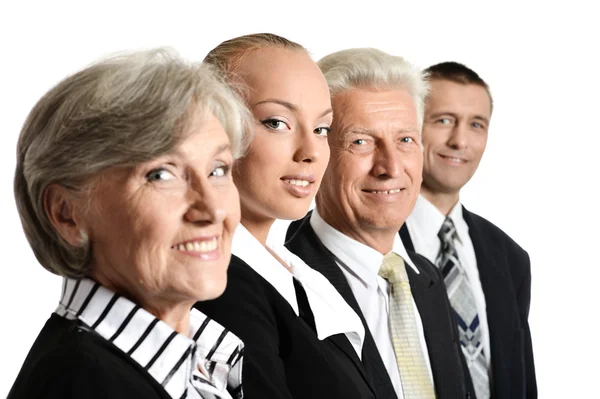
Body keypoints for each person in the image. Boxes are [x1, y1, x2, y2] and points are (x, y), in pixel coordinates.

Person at [9, 49, 250, 399]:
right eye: (161, 174)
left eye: (218, 170)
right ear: (66, 214)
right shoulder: (83, 384)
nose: (212, 209)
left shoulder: (194, 362)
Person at [286, 48, 474, 399]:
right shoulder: (283, 290)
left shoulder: (429, 279)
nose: (390, 167)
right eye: (361, 141)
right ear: (318, 151)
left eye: (405, 140)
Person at [194, 34, 372, 399]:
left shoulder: (299, 273)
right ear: (213, 128)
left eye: (322, 128)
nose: (310, 152)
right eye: (277, 122)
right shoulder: (220, 283)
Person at [398, 61, 537, 398]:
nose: (460, 140)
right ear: (411, 126)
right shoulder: (365, 236)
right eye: (444, 120)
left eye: (476, 124)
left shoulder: (509, 257)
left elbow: (520, 381)